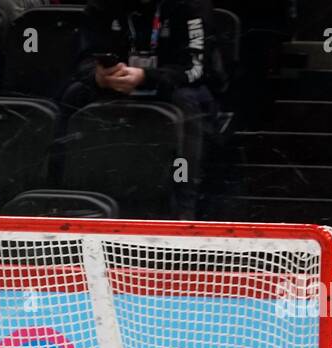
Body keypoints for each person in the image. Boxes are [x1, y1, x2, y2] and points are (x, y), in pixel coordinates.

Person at [64, 0, 221, 217]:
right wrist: (98, 76)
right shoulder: (101, 6)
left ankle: (184, 205)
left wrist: (146, 77)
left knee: (186, 102)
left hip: (174, 86)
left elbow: (195, 69)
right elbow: (83, 60)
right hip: (115, 85)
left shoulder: (191, 5)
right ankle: (69, 200)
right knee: (75, 94)